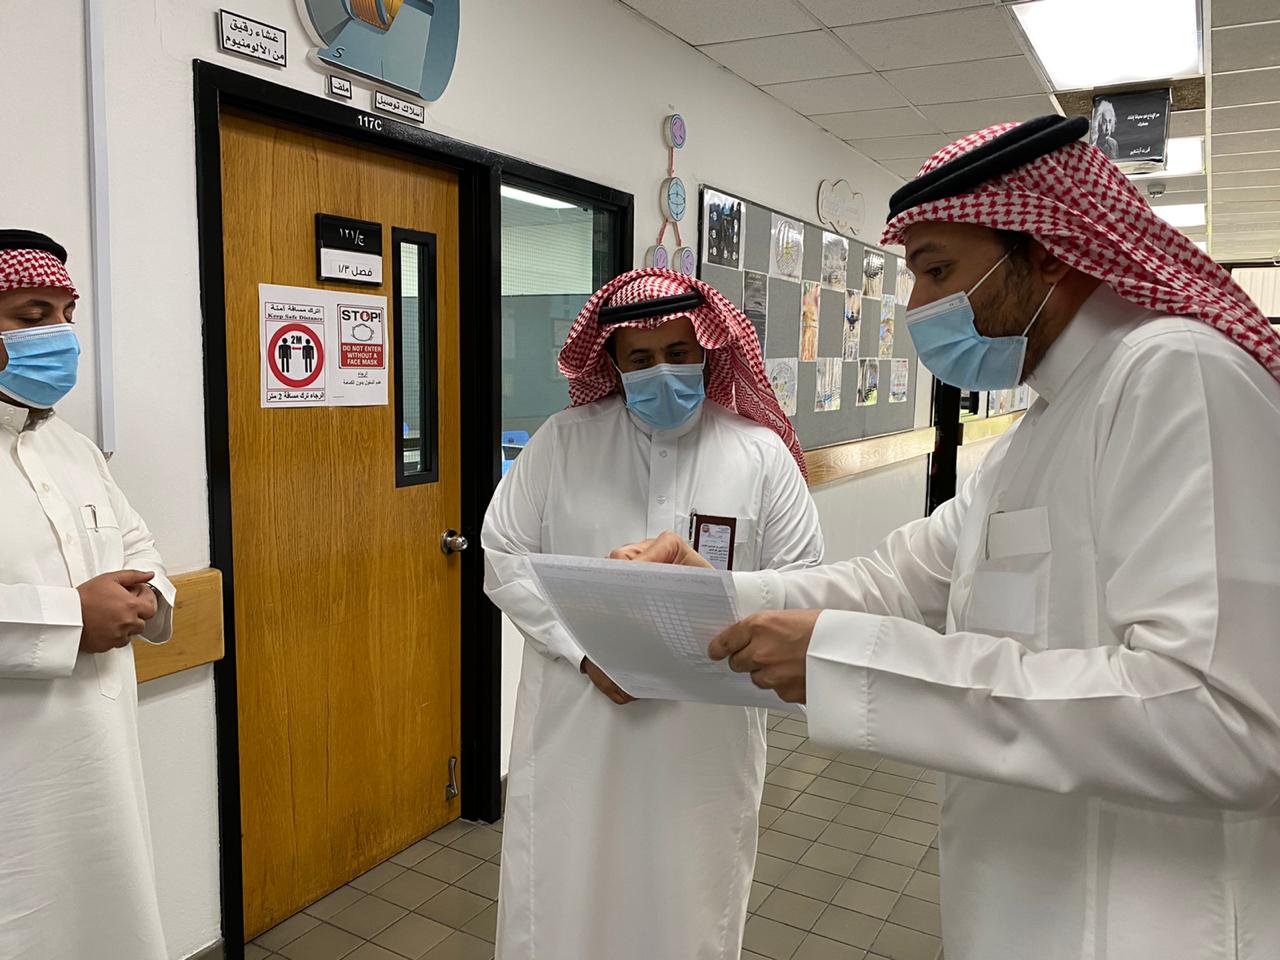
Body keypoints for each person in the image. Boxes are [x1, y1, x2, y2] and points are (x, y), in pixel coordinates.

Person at [620, 117, 1280, 959]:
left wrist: (856, 666)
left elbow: (1222, 720)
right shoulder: (1039, 433)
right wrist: (709, 594)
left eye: (937, 271)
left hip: (1145, 926)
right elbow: (893, 581)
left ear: (1048, 250)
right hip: (1026, 912)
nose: (916, 308)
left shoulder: (1176, 374)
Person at [482, 268, 823, 959]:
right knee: (564, 898)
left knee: (689, 903)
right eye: (639, 358)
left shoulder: (759, 455)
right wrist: (584, 653)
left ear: (708, 351)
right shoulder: (563, 443)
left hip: (704, 737)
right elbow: (502, 555)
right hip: (579, 726)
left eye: (677, 352)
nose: (660, 371)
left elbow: (805, 587)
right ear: (611, 362)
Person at [0, 229, 175, 959]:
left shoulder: (71, 446)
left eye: (67, 314)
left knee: (107, 920)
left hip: (100, 765)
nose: (60, 335)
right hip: (15, 779)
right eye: (32, 315)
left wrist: (146, 598)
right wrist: (68, 618)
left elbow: (139, 546)